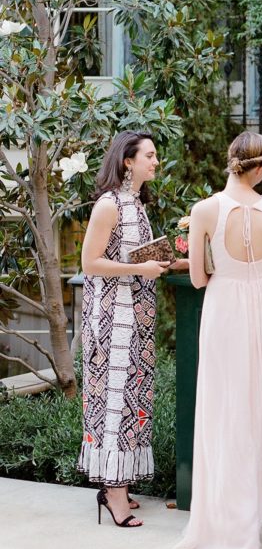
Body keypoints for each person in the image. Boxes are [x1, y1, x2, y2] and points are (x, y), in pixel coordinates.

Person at [175, 132, 262, 549]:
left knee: (220, 409)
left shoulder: (205, 209)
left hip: (222, 306)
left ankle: (216, 522)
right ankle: (247, 526)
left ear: (232, 163)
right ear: (260, 168)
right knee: (256, 412)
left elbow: (197, 279)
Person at [78, 131, 171, 528]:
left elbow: (130, 254)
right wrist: (140, 268)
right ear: (127, 161)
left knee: (133, 395)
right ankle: (113, 493)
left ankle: (121, 483)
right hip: (111, 321)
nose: (155, 162)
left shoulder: (137, 204)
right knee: (114, 398)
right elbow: (90, 263)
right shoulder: (109, 205)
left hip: (136, 319)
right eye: (149, 156)